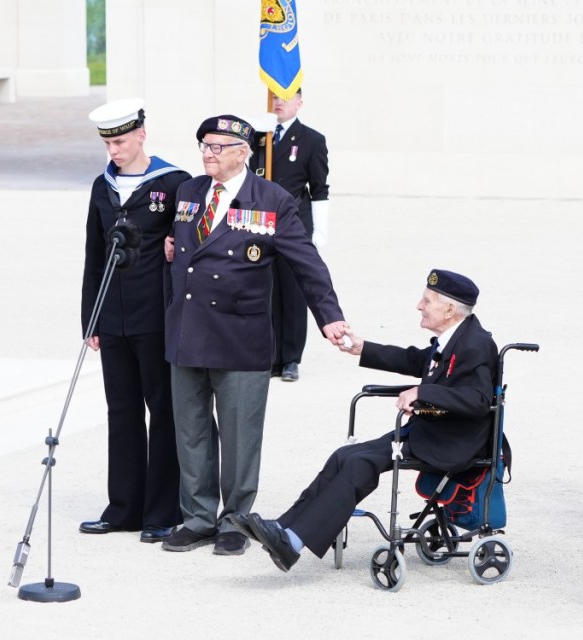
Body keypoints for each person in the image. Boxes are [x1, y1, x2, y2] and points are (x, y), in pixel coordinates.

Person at [224, 269, 497, 573]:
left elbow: (479, 400)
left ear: (449, 309)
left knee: (359, 463)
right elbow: (415, 361)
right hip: (428, 433)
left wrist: (424, 391)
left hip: (451, 444)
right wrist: (361, 348)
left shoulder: (476, 344)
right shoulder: (454, 337)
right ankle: (283, 529)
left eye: (427, 300)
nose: (419, 305)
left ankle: (293, 542)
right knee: (343, 456)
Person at [161, 114, 348, 556]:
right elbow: (181, 251)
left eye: (218, 147)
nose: (209, 153)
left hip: (238, 335)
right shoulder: (189, 192)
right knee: (190, 433)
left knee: (240, 436)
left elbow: (306, 263)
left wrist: (330, 317)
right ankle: (198, 518)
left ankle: (233, 520)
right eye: (205, 145)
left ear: (244, 152)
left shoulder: (272, 199)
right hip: (187, 331)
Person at [79, 98, 190, 543]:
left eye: (121, 141)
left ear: (142, 135)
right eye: (108, 143)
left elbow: (188, 249)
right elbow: (94, 255)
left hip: (157, 317)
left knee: (163, 411)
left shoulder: (174, 182)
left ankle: (163, 511)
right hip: (114, 318)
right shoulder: (101, 187)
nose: (114, 151)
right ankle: (123, 506)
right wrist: (91, 318)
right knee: (121, 412)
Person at [249, 88, 330, 382]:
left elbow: (320, 189)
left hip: (294, 222)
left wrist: (319, 232)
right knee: (266, 289)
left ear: (299, 102)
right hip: (261, 222)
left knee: (293, 292)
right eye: (274, 97)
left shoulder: (312, 140)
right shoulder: (260, 138)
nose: (278, 102)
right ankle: (272, 355)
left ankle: (291, 358)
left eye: (285, 97)